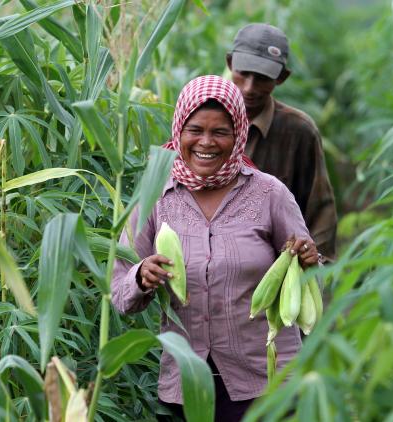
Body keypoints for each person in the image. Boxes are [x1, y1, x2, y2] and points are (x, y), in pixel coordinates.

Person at [111, 75, 318, 421]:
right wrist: (141, 276)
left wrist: (310, 262)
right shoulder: (155, 196)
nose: (206, 142)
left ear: (239, 134)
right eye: (195, 130)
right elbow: (119, 294)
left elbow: (310, 280)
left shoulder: (270, 194)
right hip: (186, 382)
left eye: (220, 132)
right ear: (179, 130)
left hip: (265, 382)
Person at [226, 23, 338, 262]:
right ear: (229, 64)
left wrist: (317, 266)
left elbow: (320, 208)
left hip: (277, 269)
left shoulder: (298, 131)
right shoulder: (200, 120)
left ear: (282, 77)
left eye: (262, 78)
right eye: (243, 73)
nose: (249, 87)